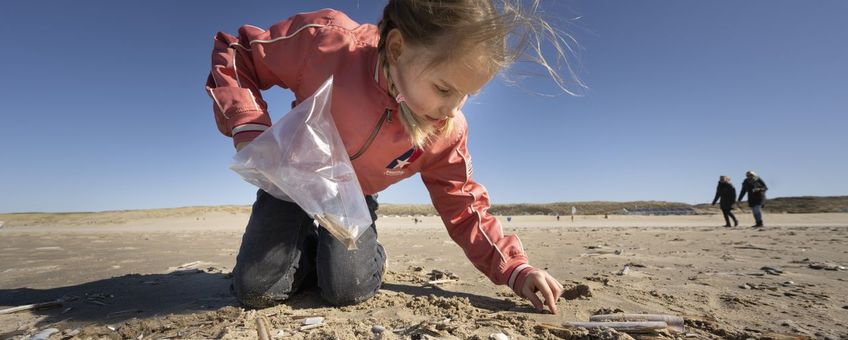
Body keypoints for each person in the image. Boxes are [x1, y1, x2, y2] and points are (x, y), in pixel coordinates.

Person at [205, 1, 575, 314]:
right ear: (396, 49)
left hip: (352, 199)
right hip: (293, 176)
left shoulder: (447, 131)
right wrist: (247, 122)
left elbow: (464, 206)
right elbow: (239, 51)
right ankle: (304, 246)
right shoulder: (328, 44)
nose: (452, 108)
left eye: (467, 95)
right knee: (257, 289)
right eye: (444, 88)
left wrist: (516, 268)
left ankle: (350, 255)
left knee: (345, 289)